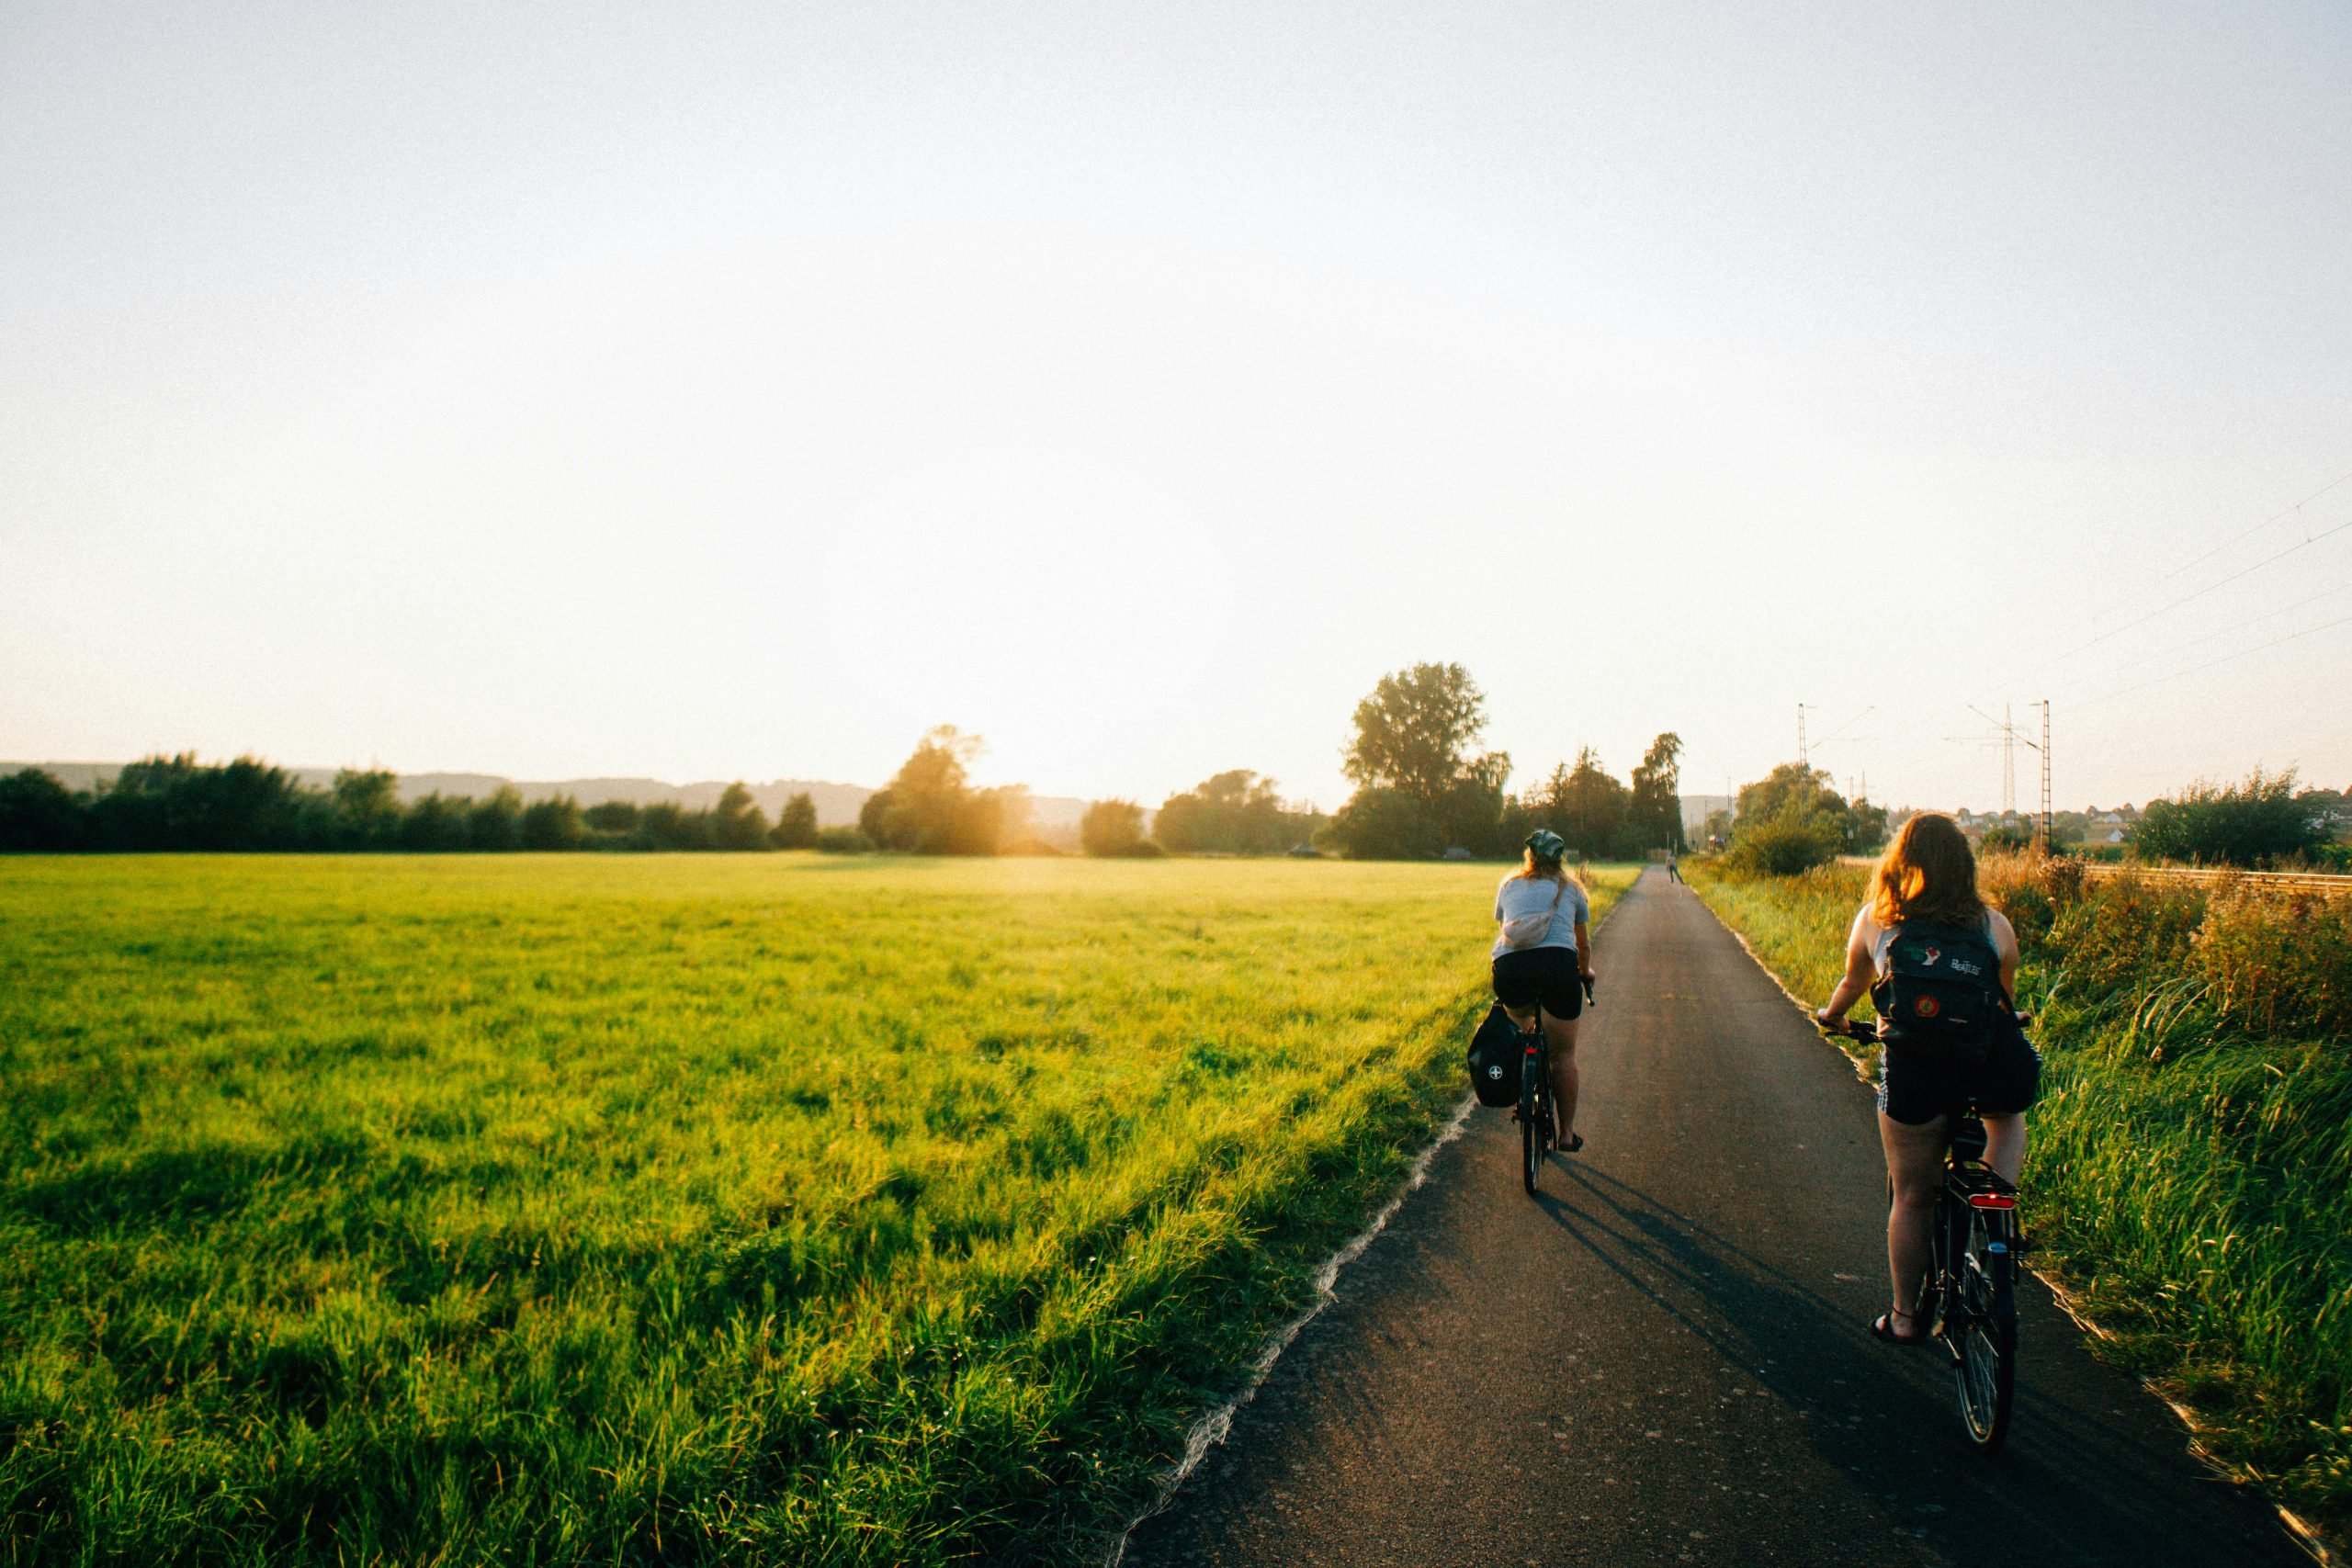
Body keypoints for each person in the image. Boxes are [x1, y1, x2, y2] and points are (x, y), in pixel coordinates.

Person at [1815, 814, 2039, 1345]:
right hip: (1986, 1065)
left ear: (1900, 864)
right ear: (1964, 867)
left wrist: (1832, 1016)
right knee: (2006, 1122)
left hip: (1915, 1070)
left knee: (1913, 1196)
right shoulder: (1995, 926)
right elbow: (2000, 1006)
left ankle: (1905, 1319)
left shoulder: (1877, 921)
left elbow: (1853, 981)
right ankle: (1996, 1214)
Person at [1492, 829, 1595, 1153]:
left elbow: (1507, 931)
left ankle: (1526, 1073)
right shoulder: (1573, 891)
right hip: (1559, 970)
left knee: (1524, 1024)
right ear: (1561, 859)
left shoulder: (1508, 886)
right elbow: (1583, 944)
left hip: (1511, 970)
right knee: (1563, 1055)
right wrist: (1584, 972)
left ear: (1530, 857)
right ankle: (1566, 1135)